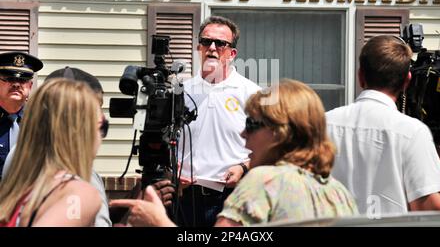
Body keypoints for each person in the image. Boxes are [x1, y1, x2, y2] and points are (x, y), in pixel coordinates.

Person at [109, 79, 358, 226]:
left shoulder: (263, 182)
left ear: (279, 132)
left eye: (251, 124)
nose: (242, 135)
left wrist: (159, 222)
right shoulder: (337, 192)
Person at [326, 35, 440, 215]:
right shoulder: (412, 132)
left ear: (361, 76)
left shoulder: (323, 123)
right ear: (407, 81)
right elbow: (432, 208)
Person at [176, 15, 261, 226]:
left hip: (232, 197)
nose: (212, 47)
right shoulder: (180, 92)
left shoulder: (252, 93)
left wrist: (243, 167)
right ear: (199, 48)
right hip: (185, 199)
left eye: (220, 43)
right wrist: (171, 170)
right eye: (206, 42)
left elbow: (271, 146)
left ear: (232, 53)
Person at [0, 79, 103, 226]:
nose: (102, 136)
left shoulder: (19, 192)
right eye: (102, 126)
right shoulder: (78, 192)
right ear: (80, 131)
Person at [0, 51, 43, 179]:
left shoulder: (40, 123)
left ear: (30, 86)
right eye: (9, 78)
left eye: (22, 79)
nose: (16, 84)